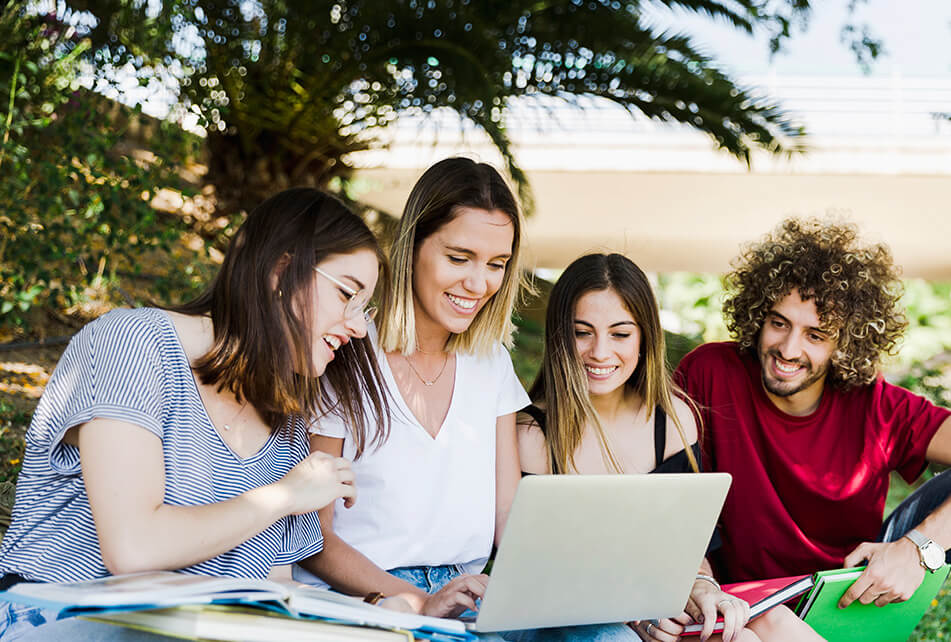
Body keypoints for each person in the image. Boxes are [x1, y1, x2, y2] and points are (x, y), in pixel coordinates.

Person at [0, 188, 391, 640]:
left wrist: (380, 612)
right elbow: (133, 547)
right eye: (347, 294)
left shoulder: (286, 425)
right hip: (58, 623)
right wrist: (284, 496)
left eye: (365, 308)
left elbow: (279, 595)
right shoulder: (133, 345)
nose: (359, 327)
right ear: (281, 272)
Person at [296, 158, 635, 640]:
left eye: (497, 265)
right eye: (459, 258)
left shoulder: (490, 360)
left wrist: (602, 589)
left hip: (472, 592)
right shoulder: (344, 351)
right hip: (371, 598)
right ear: (413, 246)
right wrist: (415, 599)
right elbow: (313, 538)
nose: (479, 285)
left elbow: (507, 515)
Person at [517, 253, 822, 642]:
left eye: (620, 334)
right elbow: (538, 577)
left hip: (657, 610)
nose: (599, 352)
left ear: (645, 337)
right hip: (573, 619)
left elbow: (691, 551)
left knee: (761, 626)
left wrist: (704, 589)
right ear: (559, 336)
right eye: (582, 332)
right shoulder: (532, 435)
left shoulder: (672, 420)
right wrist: (637, 615)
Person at [674, 218, 951, 611]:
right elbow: (661, 481)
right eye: (778, 323)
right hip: (736, 607)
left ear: (845, 344)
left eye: (815, 335)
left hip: (842, 605)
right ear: (758, 317)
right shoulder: (710, 372)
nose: (788, 349)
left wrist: (919, 547)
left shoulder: (878, 407)